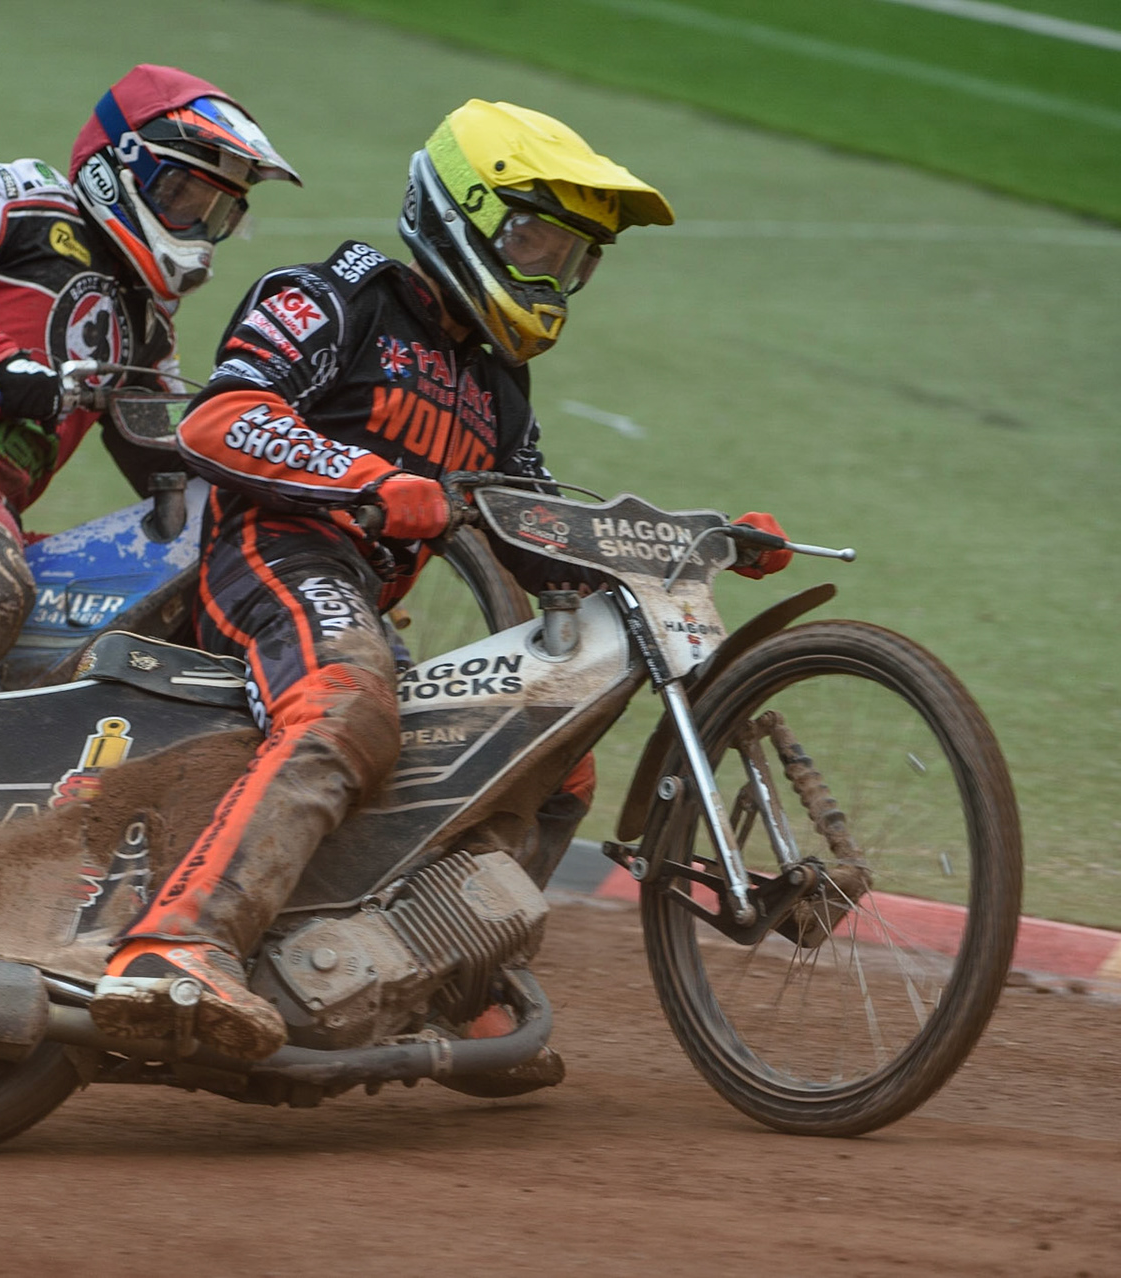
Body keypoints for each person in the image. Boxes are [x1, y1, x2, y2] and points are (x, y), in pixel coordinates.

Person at [90, 99, 791, 1062]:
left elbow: (541, 528)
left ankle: (439, 968)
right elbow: (219, 422)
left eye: (573, 260)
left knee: (554, 750)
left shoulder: (498, 383)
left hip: (363, 603)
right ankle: (177, 948)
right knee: (348, 700)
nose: (552, 274)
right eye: (537, 241)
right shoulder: (333, 297)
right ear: (463, 215)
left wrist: (694, 542)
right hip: (270, 562)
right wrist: (370, 481)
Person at [0, 65, 300, 700]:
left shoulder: (149, 320)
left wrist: (294, 545)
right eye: (183, 194)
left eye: (213, 213)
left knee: (160, 586)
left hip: (3, 510)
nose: (192, 224)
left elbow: (169, 469)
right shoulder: (24, 195)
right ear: (119, 166)